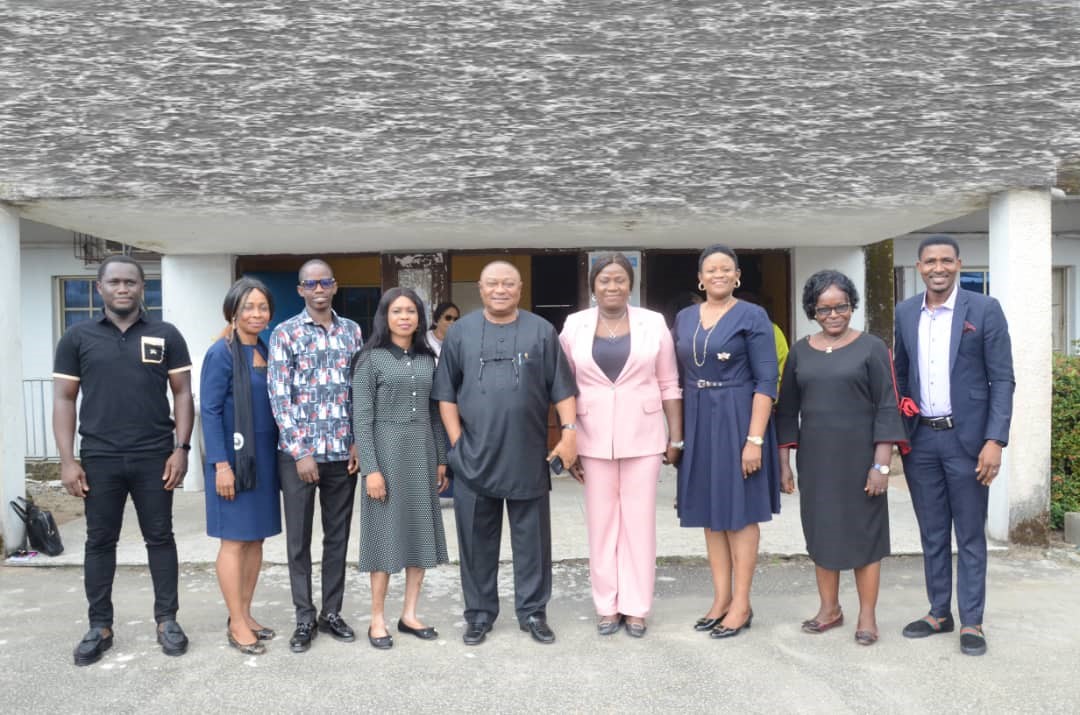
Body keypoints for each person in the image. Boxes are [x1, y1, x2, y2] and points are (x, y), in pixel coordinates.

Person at [52, 255, 195, 666]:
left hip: (155, 456)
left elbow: (182, 393)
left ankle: (167, 620)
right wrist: (67, 460)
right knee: (99, 542)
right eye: (113, 281)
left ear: (142, 288)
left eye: (130, 282)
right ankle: (100, 625)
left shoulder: (165, 334)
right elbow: (64, 399)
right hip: (99, 457)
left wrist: (180, 448)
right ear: (99, 288)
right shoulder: (77, 337)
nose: (122, 288)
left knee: (160, 538)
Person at [432, 260, 578, 646]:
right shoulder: (460, 333)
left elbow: (563, 390)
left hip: (527, 455)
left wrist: (569, 433)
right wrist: (457, 443)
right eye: (492, 284)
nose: (500, 289)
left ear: (519, 289)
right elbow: (445, 394)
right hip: (474, 457)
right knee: (476, 543)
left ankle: (533, 613)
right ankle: (479, 615)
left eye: (508, 284)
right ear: (480, 289)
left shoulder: (541, 331)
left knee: (532, 545)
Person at [893, 234, 1015, 657]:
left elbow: (1002, 379)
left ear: (959, 265)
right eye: (930, 262)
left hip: (969, 441)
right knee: (930, 533)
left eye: (946, 261)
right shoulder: (906, 312)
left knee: (969, 534)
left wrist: (995, 439)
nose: (938, 268)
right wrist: (899, 432)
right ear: (919, 266)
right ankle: (938, 611)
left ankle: (973, 621)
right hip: (921, 440)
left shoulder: (983, 310)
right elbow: (900, 375)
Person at [775, 270, 907, 646]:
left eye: (841, 306)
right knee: (822, 533)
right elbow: (787, 412)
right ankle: (829, 609)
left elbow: (887, 406)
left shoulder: (871, 348)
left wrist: (881, 465)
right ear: (812, 311)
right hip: (816, 462)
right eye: (824, 309)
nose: (834, 315)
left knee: (865, 536)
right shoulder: (800, 351)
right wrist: (785, 464)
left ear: (852, 306)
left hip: (862, 460)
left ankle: (867, 616)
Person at [559, 253, 682, 638]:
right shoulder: (574, 325)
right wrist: (567, 439)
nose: (612, 286)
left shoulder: (653, 323)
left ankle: (637, 606)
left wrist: (675, 435)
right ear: (593, 287)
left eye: (619, 280)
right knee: (602, 524)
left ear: (631, 284)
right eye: (604, 280)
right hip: (592, 437)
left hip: (644, 437)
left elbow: (669, 382)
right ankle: (607, 606)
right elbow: (563, 385)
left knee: (639, 524)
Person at [672, 244, 780, 639]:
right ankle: (720, 599)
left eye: (726, 269)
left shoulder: (753, 316)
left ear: (737, 276)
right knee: (710, 514)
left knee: (740, 513)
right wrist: (678, 436)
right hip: (699, 416)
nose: (718, 275)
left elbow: (767, 381)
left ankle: (742, 603)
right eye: (710, 269)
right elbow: (674, 376)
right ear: (700, 278)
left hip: (738, 416)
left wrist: (754, 439)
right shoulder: (684, 317)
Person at [268, 259, 364, 653]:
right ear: (301, 290)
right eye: (311, 283)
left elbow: (359, 388)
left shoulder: (352, 331)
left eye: (325, 282)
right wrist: (301, 451)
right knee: (299, 541)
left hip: (343, 453)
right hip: (299, 457)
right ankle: (304, 617)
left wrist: (359, 439)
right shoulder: (284, 333)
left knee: (337, 538)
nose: (319, 288)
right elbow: (278, 394)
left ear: (335, 286)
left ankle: (332, 612)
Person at [351, 288, 450, 650]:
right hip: (386, 456)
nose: (405, 317)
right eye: (397, 311)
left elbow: (435, 414)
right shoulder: (370, 360)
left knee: (417, 533)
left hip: (421, 454)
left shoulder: (428, 360)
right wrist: (371, 470)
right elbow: (361, 419)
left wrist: (441, 458)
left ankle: (409, 613)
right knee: (383, 538)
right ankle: (377, 618)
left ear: (419, 318)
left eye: (411, 311)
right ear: (385, 316)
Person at [200, 277, 282, 655]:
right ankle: (235, 621)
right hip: (232, 460)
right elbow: (211, 411)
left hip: (263, 459)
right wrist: (220, 465)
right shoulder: (221, 353)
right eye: (248, 306)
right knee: (234, 540)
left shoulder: (266, 347)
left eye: (262, 307)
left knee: (255, 538)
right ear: (233, 311)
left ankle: (246, 612)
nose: (256, 313)